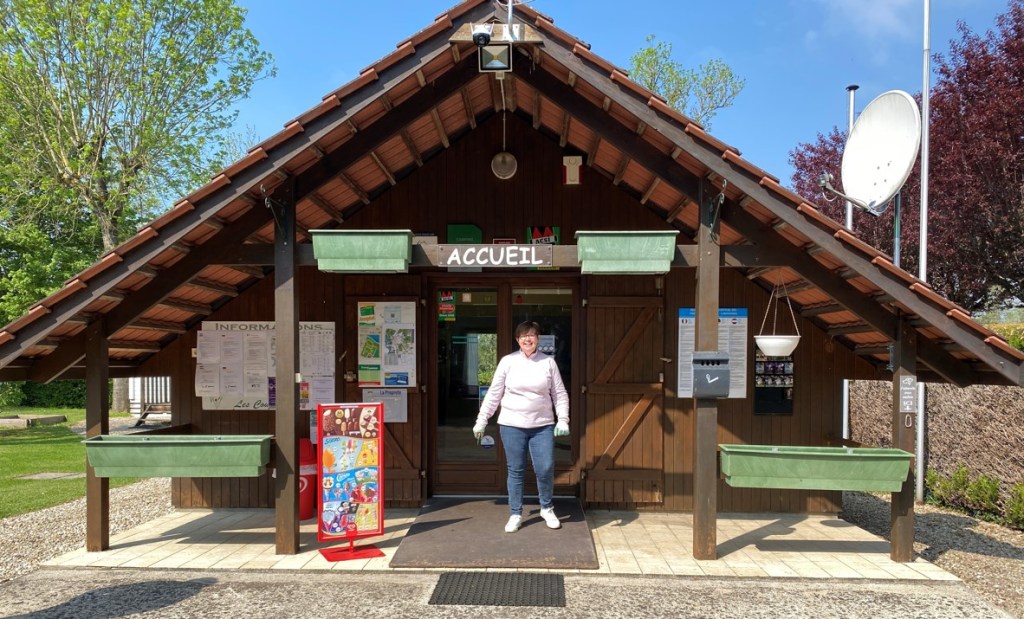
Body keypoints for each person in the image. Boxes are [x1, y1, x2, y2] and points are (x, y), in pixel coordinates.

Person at [473, 320, 570, 533]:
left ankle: (546, 507)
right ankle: (515, 513)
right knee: (516, 470)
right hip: (511, 425)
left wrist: (563, 419)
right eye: (523, 335)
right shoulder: (508, 362)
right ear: (518, 340)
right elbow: (494, 393)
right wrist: (482, 420)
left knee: (545, 468)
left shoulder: (548, 363)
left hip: (542, 425)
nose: (528, 339)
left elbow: (560, 394)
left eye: (532, 335)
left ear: (538, 339)